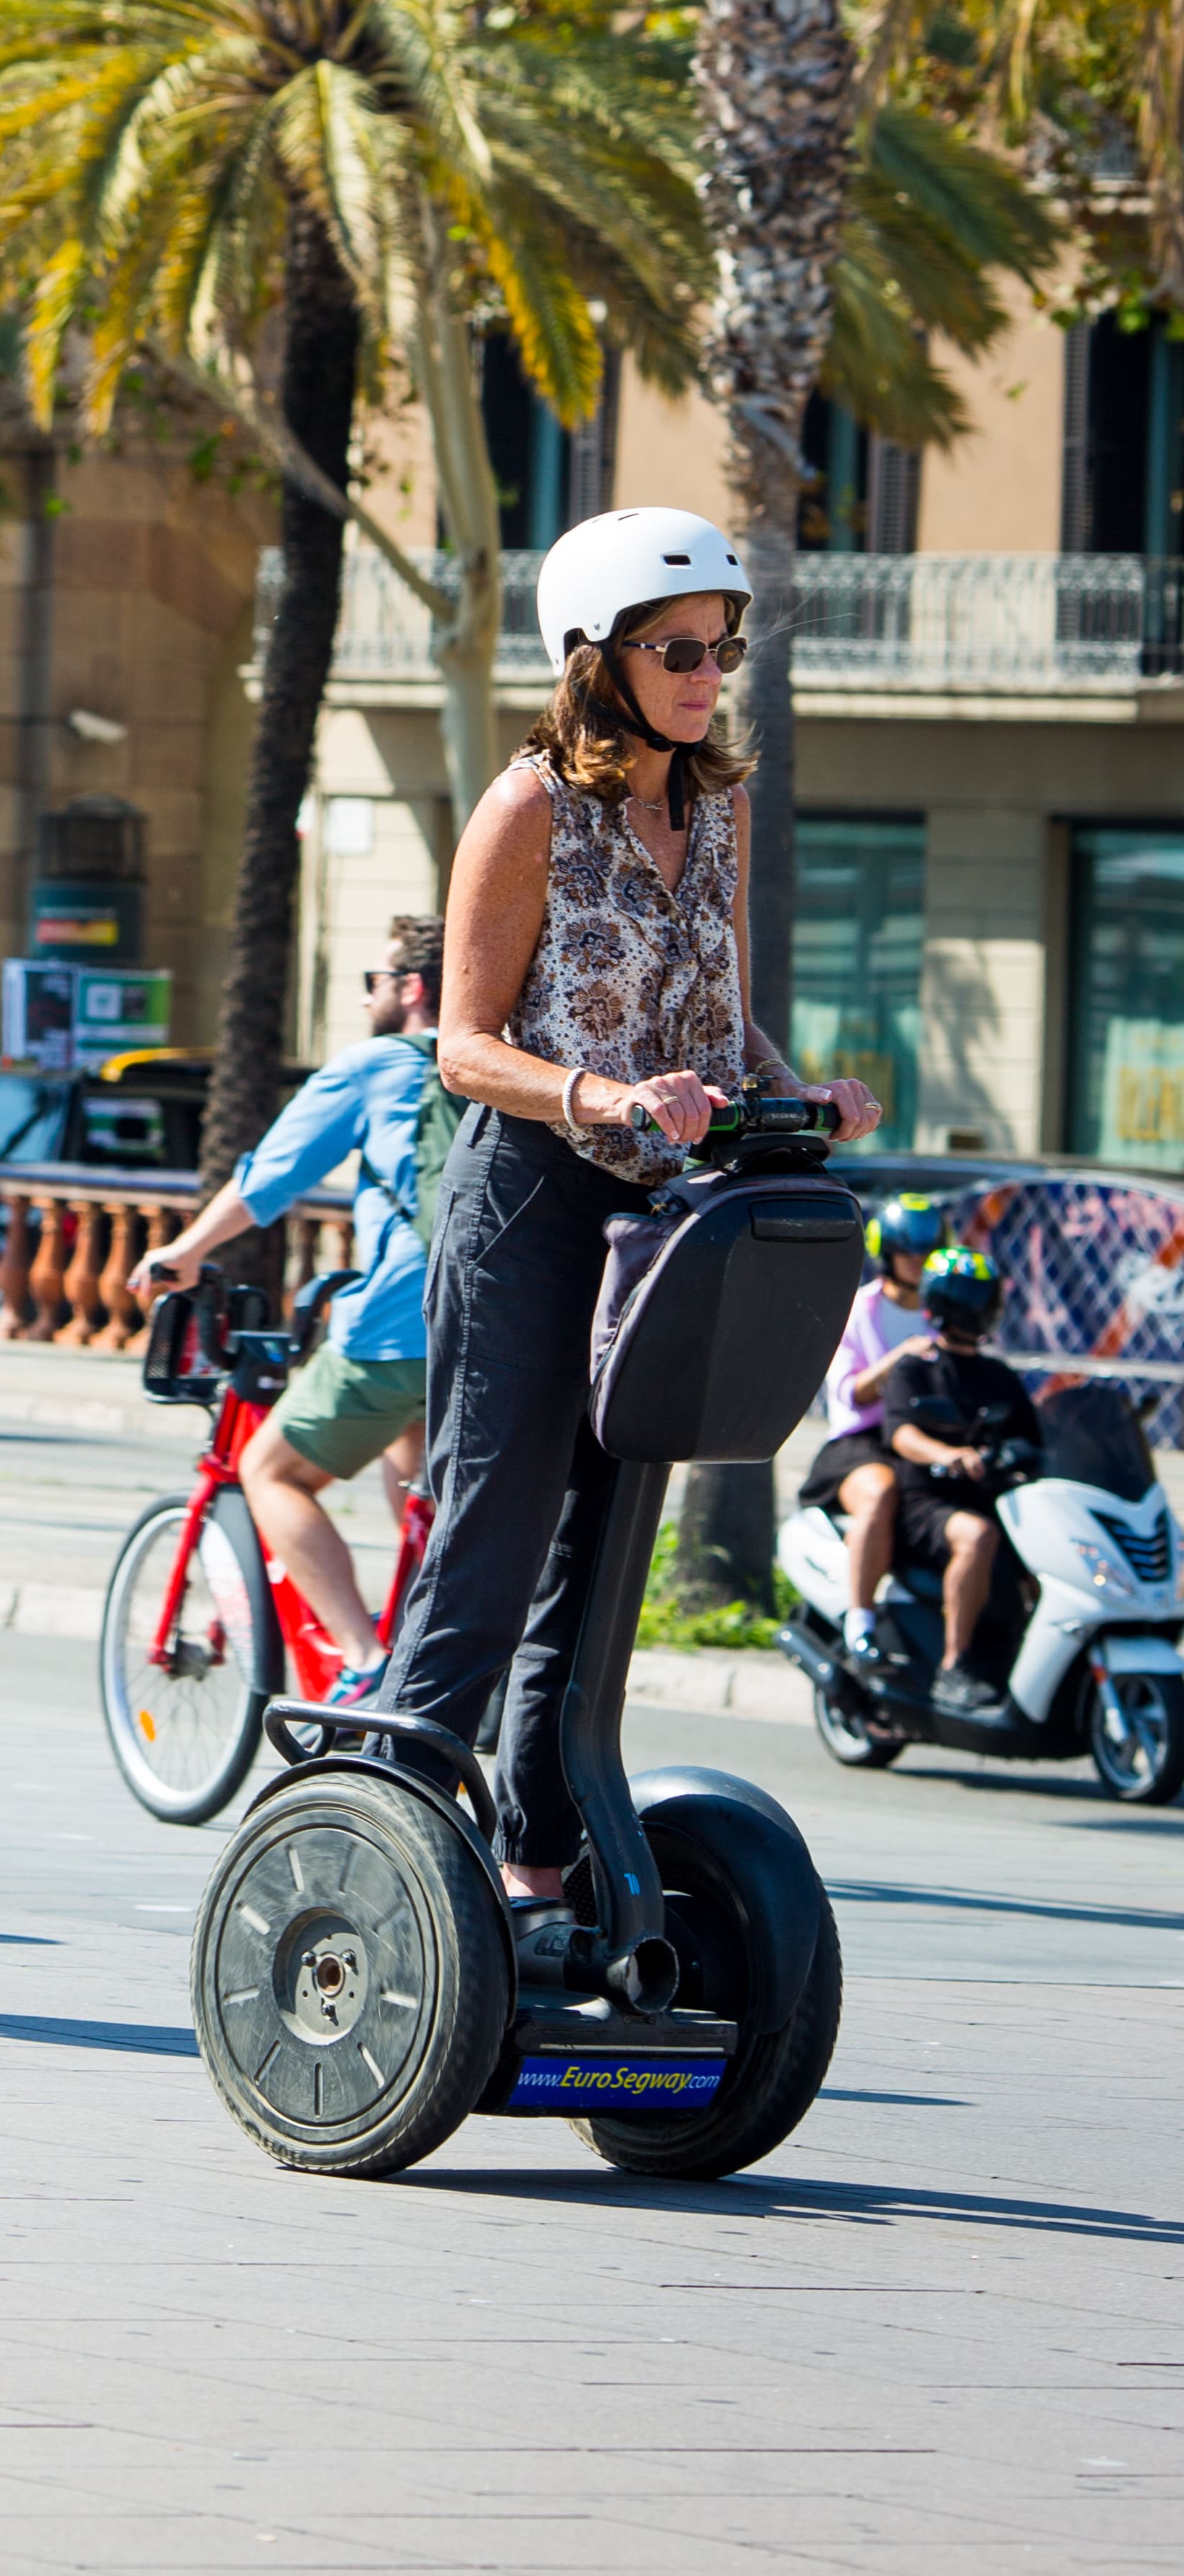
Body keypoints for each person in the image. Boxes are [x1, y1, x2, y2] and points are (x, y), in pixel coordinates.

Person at [374, 506, 882, 1977]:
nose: (707, 673)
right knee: (491, 1539)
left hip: (658, 1225)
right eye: (678, 649)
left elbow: (715, 1027)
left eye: (723, 648)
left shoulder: (712, 812)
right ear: (597, 657)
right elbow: (462, 1047)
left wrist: (800, 1092)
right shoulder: (526, 809)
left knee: (596, 1564)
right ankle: (395, 1832)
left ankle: (537, 1868)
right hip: (529, 1205)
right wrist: (595, 1091)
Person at [126, 910, 448, 1700]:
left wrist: (185, 1253)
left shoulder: (379, 1064)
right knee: (417, 1476)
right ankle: (431, 1652)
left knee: (268, 1470)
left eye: (374, 980)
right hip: (497, 1327)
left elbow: (270, 1178)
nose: (368, 996)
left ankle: (365, 1664)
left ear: (409, 989)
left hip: (398, 1319)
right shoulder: (503, 1062)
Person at [874, 1239, 1041, 1714]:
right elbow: (902, 1433)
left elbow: (1036, 1434)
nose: (984, 1308)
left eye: (988, 1299)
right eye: (976, 1298)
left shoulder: (998, 1374)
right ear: (951, 1303)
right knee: (977, 1535)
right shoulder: (917, 1366)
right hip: (928, 1502)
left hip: (994, 1498)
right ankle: (953, 1665)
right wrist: (948, 1453)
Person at [799, 1192, 941, 1669]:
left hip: (923, 1441)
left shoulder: (943, 1312)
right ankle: (858, 1622)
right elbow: (849, 1393)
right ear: (887, 1252)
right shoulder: (859, 1308)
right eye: (909, 1252)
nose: (919, 1262)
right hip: (861, 1442)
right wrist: (898, 1362)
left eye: (928, 1252)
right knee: (880, 1492)